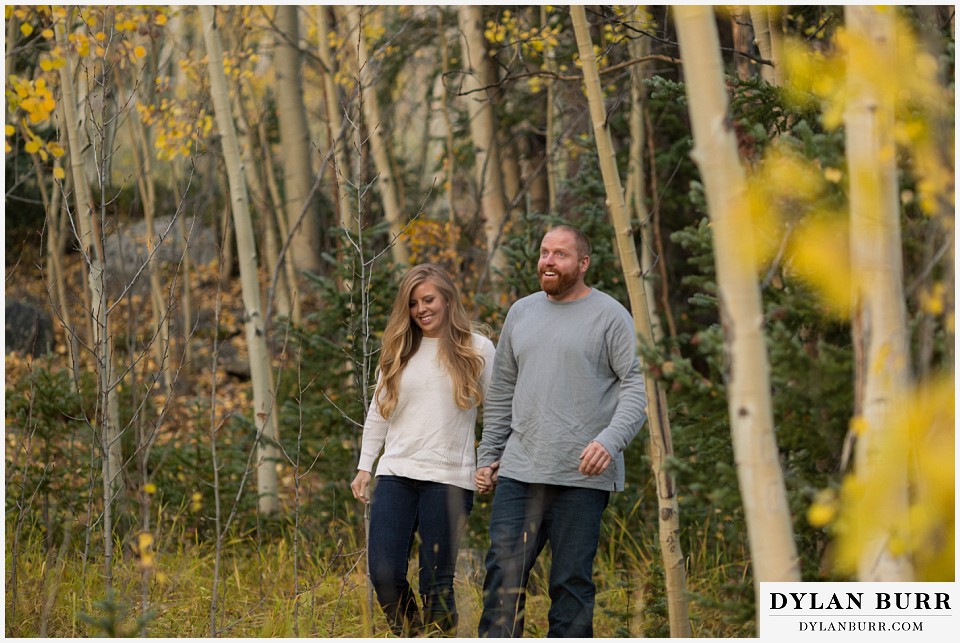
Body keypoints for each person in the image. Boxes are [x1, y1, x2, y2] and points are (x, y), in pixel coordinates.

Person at [475, 224, 647, 637]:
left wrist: (610, 440)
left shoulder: (611, 316)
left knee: (570, 584)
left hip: (581, 477)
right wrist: (488, 456)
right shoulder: (522, 311)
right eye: (544, 252)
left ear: (583, 263)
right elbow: (501, 391)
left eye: (560, 254)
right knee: (503, 577)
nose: (548, 261)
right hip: (520, 471)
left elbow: (638, 385)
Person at [350, 263, 496, 637]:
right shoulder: (400, 348)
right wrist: (366, 465)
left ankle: (437, 634)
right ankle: (414, 634)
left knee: (437, 585)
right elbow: (378, 411)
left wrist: (492, 461)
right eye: (413, 303)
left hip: (449, 480)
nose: (421, 309)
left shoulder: (477, 348)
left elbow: (498, 410)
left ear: (447, 298)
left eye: (428, 299)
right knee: (384, 574)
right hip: (396, 473)